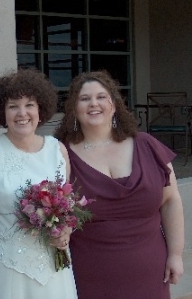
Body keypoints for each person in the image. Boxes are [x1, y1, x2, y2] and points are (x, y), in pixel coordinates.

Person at [54, 70, 185, 299]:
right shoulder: (60, 155)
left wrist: (175, 253)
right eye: (85, 99)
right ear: (74, 109)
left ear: (113, 105)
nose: (94, 104)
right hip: (89, 275)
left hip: (150, 273)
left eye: (101, 97)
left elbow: (171, 200)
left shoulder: (147, 145)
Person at [0, 69, 78, 299]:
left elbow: (67, 208)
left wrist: (65, 231)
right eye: (13, 106)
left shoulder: (57, 150)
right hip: (3, 266)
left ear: (40, 109)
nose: (22, 113)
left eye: (29, 104)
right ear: (2, 112)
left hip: (53, 268)